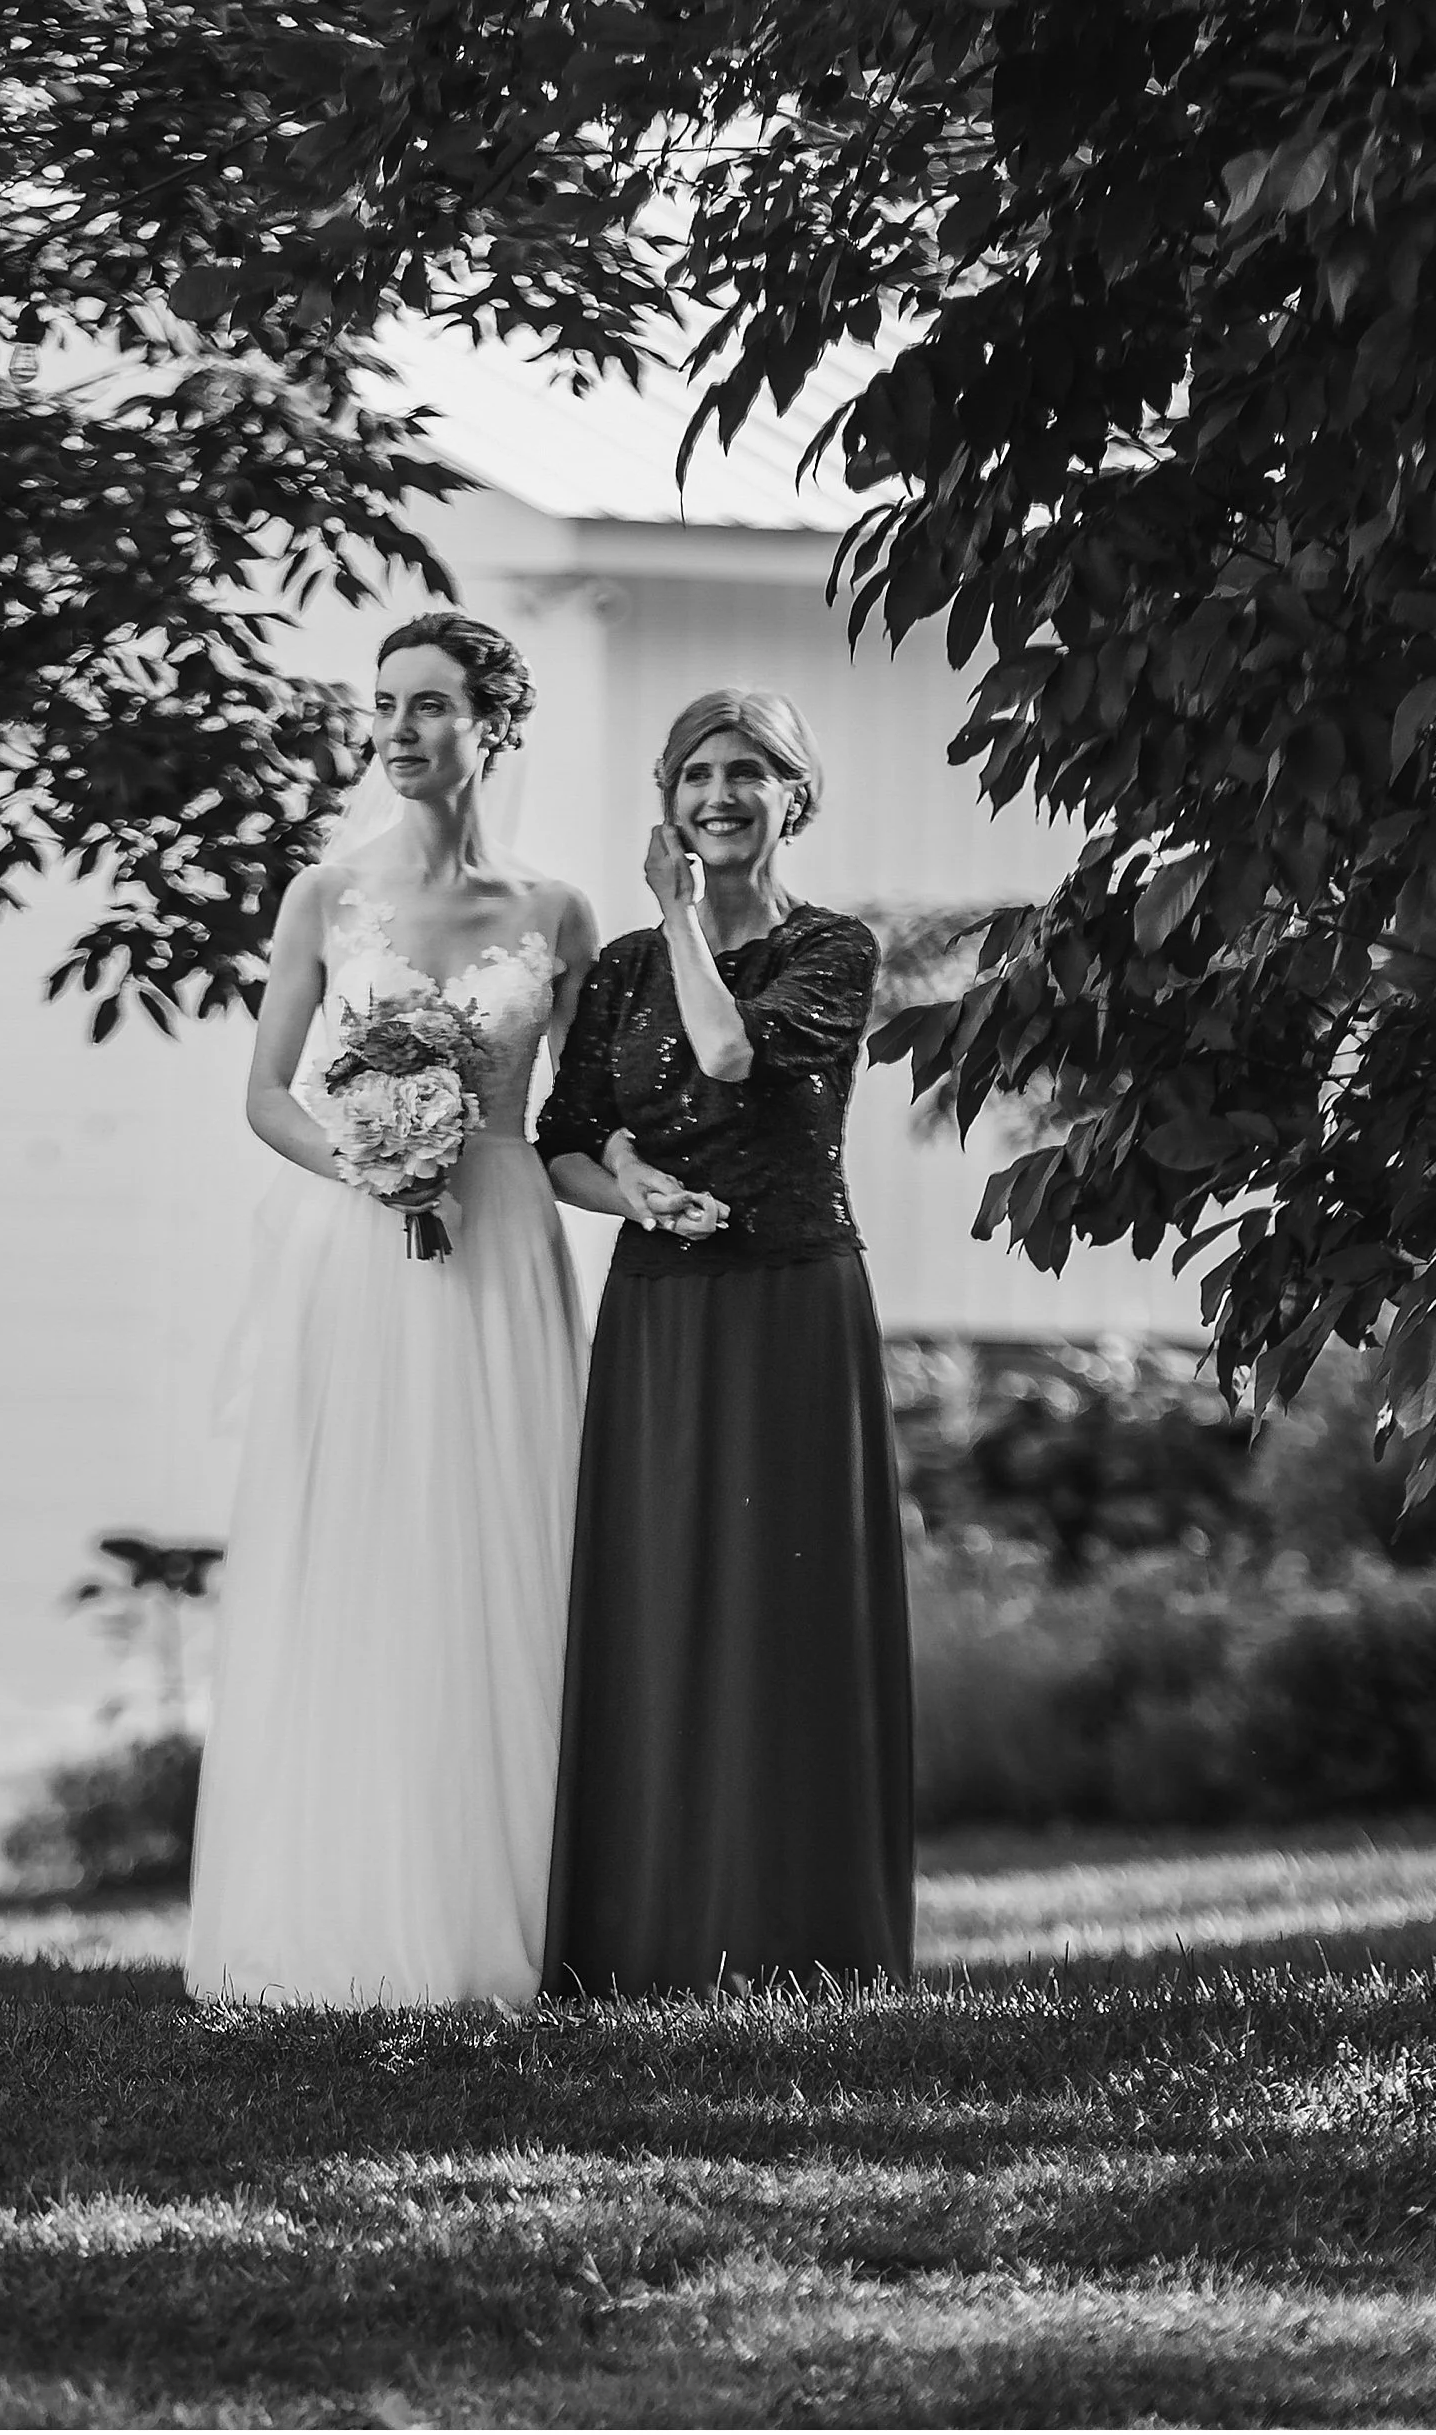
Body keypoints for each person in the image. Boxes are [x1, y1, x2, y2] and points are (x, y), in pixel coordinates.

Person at [187, 612, 598, 2008]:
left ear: (494, 722)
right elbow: (263, 1095)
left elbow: (582, 1117)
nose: (399, 731)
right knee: (366, 1548)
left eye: (430, 705)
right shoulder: (324, 895)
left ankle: (522, 1906)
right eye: (382, 706)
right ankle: (346, 1904)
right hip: (362, 1256)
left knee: (506, 1543)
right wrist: (362, 1159)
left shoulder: (557, 914)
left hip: (505, 1247)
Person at [536, 687, 915, 1997]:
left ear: (792, 796)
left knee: (784, 1608)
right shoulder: (620, 972)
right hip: (657, 1310)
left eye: (749, 772)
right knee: (661, 1599)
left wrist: (682, 918)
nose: (720, 794)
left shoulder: (831, 949)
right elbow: (564, 1141)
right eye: (698, 772)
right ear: (669, 795)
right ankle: (640, 1935)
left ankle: (797, 1933)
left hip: (792, 1302)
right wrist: (629, 1190)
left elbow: (727, 1052)